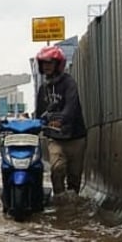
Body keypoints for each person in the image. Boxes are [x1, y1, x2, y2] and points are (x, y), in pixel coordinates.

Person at [34, 45, 87, 195]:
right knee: (57, 169)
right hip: (55, 139)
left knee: (75, 177)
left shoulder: (69, 83)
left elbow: (72, 106)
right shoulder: (43, 89)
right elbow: (39, 114)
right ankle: (59, 201)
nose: (47, 66)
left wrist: (61, 119)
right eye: (44, 63)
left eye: (50, 63)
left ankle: (72, 204)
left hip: (75, 137)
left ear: (58, 64)